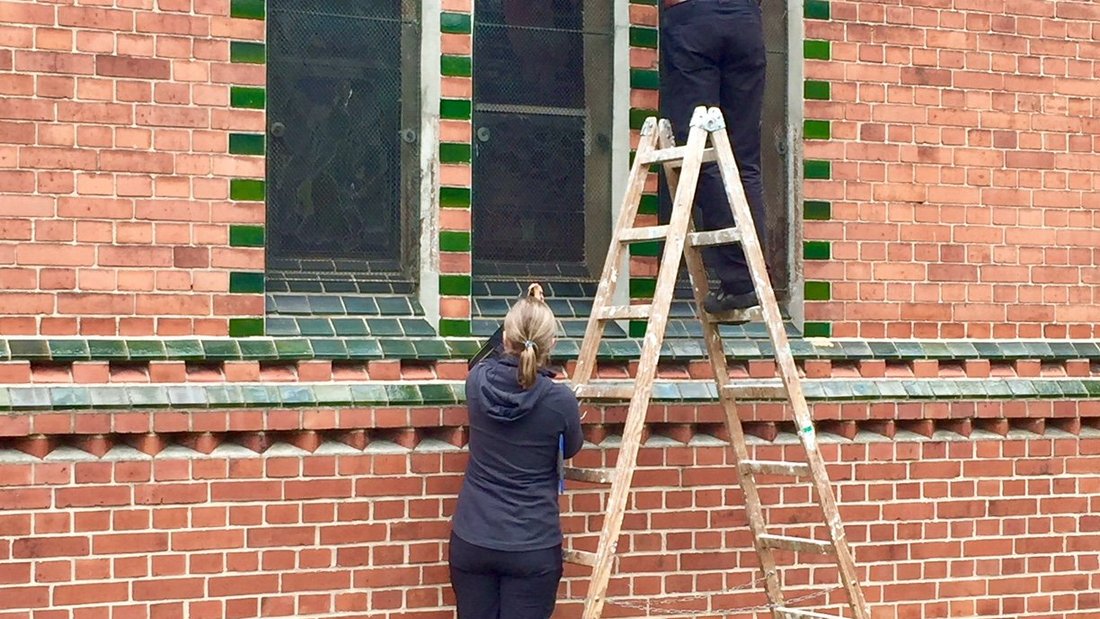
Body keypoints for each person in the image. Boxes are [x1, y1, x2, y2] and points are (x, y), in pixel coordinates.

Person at [449, 283, 584, 619]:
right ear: (551, 344)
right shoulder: (560, 401)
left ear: (505, 339)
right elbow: (573, 448)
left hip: (473, 539)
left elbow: (483, 355)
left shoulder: (476, 382)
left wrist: (523, 308)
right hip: (532, 544)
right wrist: (536, 316)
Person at [660, 0, 767, 314]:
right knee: (744, 158)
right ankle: (752, 273)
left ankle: (740, 279)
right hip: (745, 19)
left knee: (704, 154)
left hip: (692, 18)